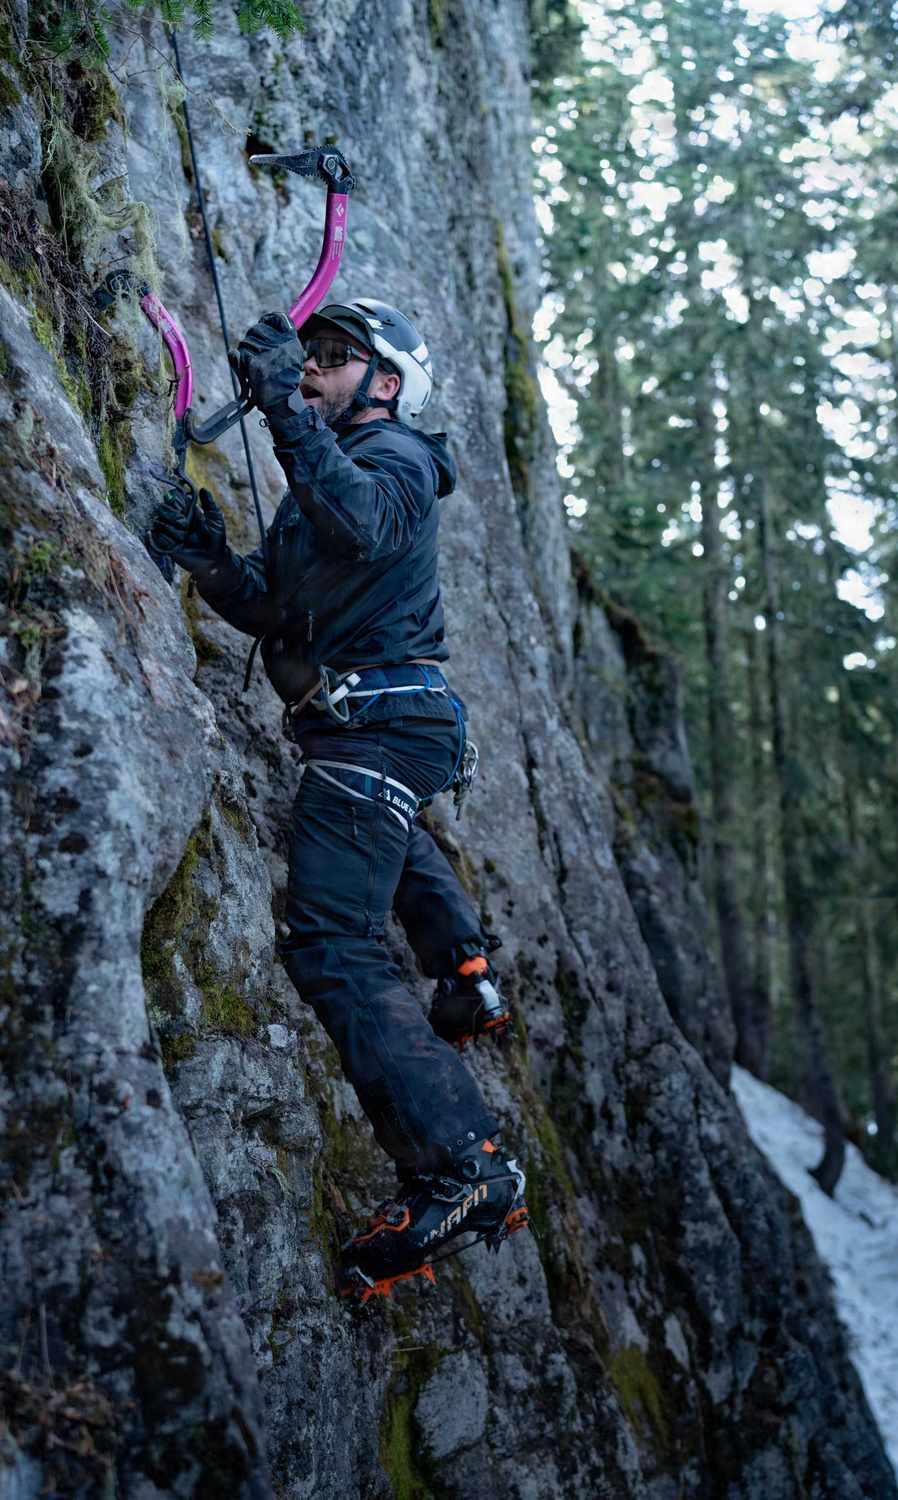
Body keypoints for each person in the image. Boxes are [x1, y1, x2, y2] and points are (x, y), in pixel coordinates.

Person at [149, 300, 528, 1298]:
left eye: (332, 359)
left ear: (386, 384)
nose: (311, 369)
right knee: (345, 930)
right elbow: (273, 607)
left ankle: (463, 1165)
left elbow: (361, 517)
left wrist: (279, 399)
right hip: (366, 729)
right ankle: (462, 979)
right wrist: (207, 555)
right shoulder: (326, 486)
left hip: (377, 729)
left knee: (333, 944)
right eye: (305, 359)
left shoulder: (400, 460)